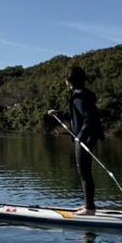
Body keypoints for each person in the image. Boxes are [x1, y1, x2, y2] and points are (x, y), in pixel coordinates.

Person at [48, 65, 104, 215]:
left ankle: (90, 208)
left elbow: (88, 118)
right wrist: (58, 113)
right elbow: (76, 116)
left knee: (84, 172)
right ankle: (89, 205)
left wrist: (81, 136)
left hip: (85, 138)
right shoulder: (83, 94)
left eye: (66, 80)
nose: (65, 83)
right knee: (85, 172)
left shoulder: (78, 96)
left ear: (69, 81)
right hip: (88, 136)